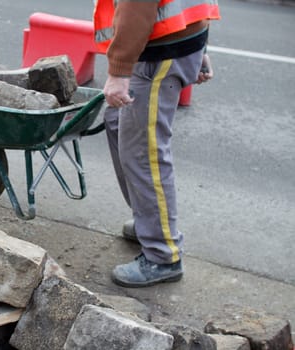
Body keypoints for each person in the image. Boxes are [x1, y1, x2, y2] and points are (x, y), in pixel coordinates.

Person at [93, 0, 220, 287]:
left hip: (158, 54)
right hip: (174, 41)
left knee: (143, 152)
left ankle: (163, 255)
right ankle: (148, 222)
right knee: (117, 124)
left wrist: (119, 72)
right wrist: (201, 47)